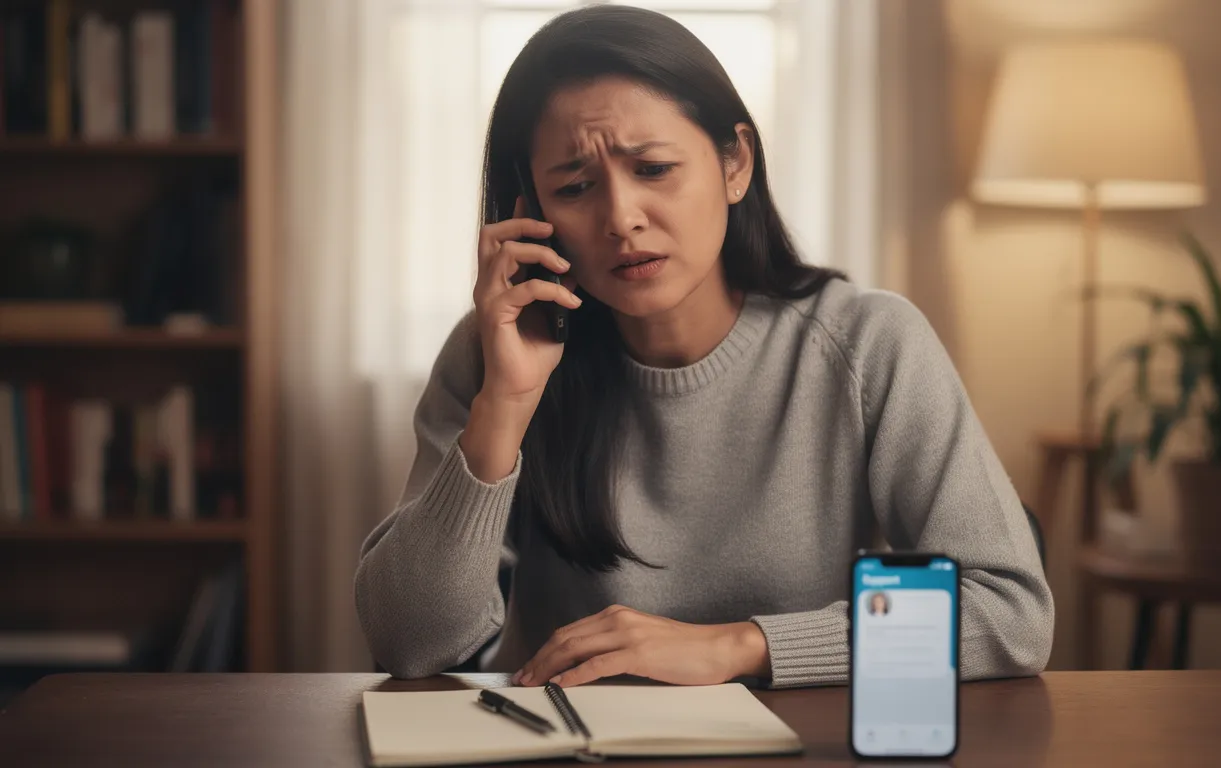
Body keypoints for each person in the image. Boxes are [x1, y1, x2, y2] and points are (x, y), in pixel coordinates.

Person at [355, 5, 1053, 689]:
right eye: (574, 187)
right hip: (567, 742)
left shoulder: (869, 345)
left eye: (653, 169)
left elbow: (1011, 613)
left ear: (735, 163)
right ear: (532, 214)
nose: (622, 218)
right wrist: (504, 404)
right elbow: (410, 644)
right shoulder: (497, 351)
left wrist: (740, 647)